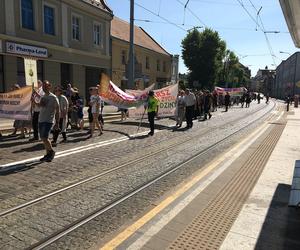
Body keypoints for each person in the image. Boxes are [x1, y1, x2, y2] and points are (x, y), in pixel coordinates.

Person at [38, 81, 60, 162]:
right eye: (43, 86)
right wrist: (33, 101)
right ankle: (47, 154)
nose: (43, 88)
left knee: (45, 137)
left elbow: (58, 110)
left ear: (49, 86)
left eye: (45, 86)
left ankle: (51, 152)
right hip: (41, 119)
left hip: (48, 120)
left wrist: (57, 123)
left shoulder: (53, 97)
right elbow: (41, 105)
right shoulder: (43, 96)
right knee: (43, 138)